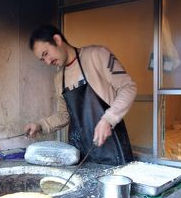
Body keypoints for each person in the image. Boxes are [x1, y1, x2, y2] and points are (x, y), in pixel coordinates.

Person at [25, 24, 137, 165]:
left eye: (46, 53)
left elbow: (128, 87)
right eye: (42, 59)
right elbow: (63, 115)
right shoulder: (59, 78)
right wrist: (40, 125)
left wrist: (108, 119)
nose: (47, 62)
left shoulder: (97, 55)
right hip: (80, 154)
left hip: (112, 150)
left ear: (57, 40)